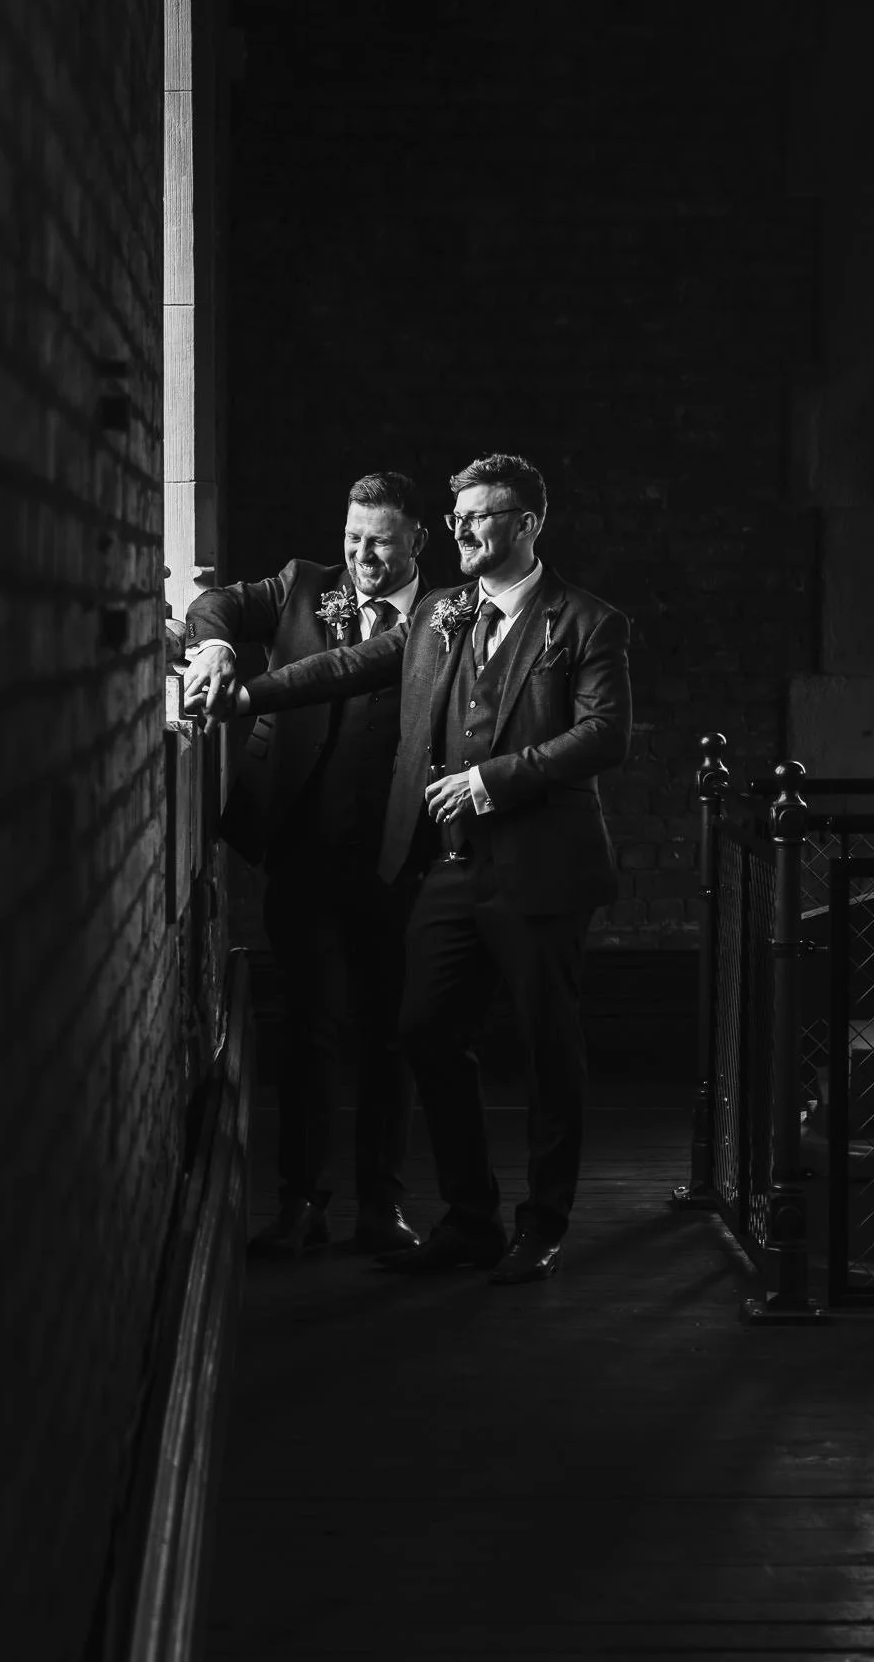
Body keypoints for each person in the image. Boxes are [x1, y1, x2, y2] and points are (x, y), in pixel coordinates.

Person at [188, 452, 631, 1286]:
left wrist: (489, 780)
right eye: (458, 514)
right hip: (450, 869)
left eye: (480, 516)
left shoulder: (585, 622)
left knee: (546, 1053)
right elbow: (350, 665)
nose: (464, 528)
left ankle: (542, 1224)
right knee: (423, 1033)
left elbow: (606, 736)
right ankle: (469, 1220)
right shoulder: (439, 613)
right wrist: (247, 695)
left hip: (540, 869)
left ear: (527, 524)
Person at [184, 471, 432, 1258]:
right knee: (306, 1030)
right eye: (353, 537)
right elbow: (210, 604)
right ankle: (299, 1202)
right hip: (298, 852)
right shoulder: (302, 587)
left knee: (388, 1033)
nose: (362, 554)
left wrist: (253, 693)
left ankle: (381, 1207)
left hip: (397, 858)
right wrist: (219, 645)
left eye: (381, 540)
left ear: (417, 540)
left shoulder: (444, 614)